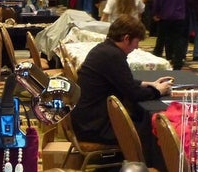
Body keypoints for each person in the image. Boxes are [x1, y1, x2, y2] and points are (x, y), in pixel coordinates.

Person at [71, 16, 172, 145]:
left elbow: (121, 81)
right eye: (137, 42)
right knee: (152, 131)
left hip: (87, 120)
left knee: (138, 119)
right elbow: (134, 94)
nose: (137, 47)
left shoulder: (104, 49)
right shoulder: (113, 56)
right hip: (94, 127)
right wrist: (158, 91)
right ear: (126, 39)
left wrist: (148, 84)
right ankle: (141, 164)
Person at [152, 0, 190, 70]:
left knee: (161, 38)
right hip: (180, 15)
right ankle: (177, 62)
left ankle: (156, 60)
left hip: (165, 14)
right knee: (178, 39)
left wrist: (156, 12)